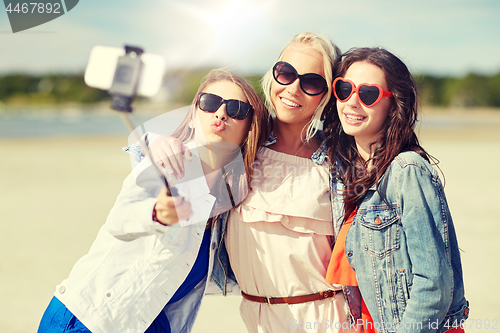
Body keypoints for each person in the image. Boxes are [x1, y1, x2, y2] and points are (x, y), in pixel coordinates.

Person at [153, 32, 363, 332]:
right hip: (257, 319)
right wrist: (159, 143)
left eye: (311, 82)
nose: (293, 88)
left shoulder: (341, 163)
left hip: (328, 320)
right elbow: (189, 143)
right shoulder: (241, 146)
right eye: (286, 73)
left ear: (326, 93)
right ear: (273, 75)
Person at [37, 68, 269, 333]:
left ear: (250, 126)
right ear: (192, 116)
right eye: (210, 103)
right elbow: (119, 221)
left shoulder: (230, 202)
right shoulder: (167, 164)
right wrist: (156, 213)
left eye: (237, 109)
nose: (221, 113)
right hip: (93, 319)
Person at [324, 47, 469, 332]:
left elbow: (433, 287)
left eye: (368, 94)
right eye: (344, 89)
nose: (352, 102)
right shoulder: (351, 175)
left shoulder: (407, 171)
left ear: (394, 104)